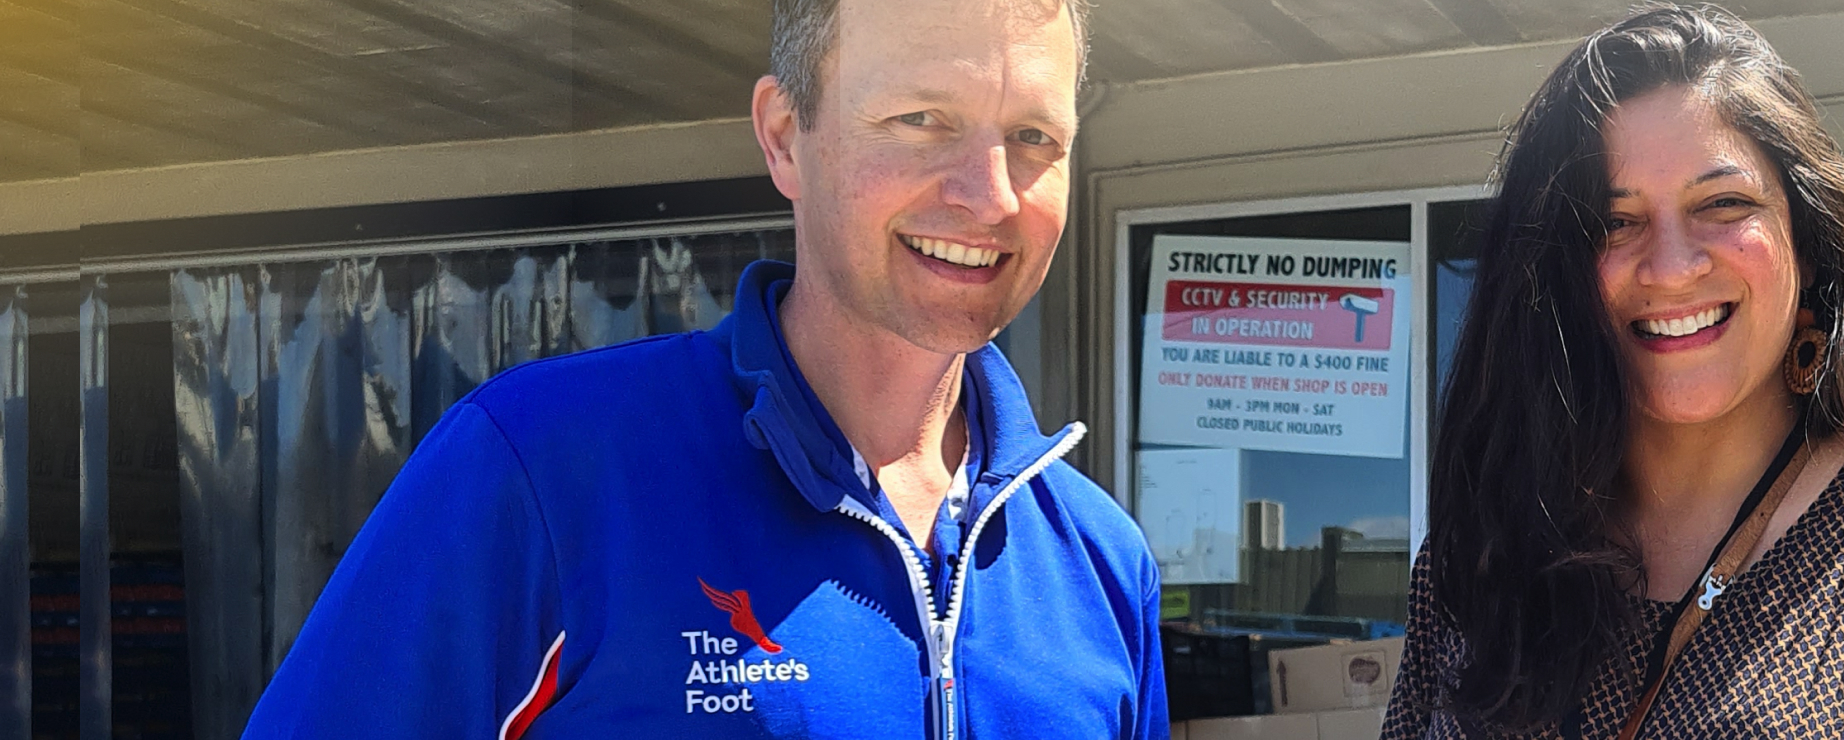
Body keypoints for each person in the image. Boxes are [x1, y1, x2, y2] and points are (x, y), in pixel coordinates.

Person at [243, 0, 1168, 737]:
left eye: (1035, 138)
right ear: (781, 135)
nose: (992, 194)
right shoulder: (546, 472)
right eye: (922, 120)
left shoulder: (1099, 562)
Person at [1384, 5, 1844, 739]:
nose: (1673, 266)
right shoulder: (1484, 549)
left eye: (1722, 203)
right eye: (1614, 220)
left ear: (1807, 240)